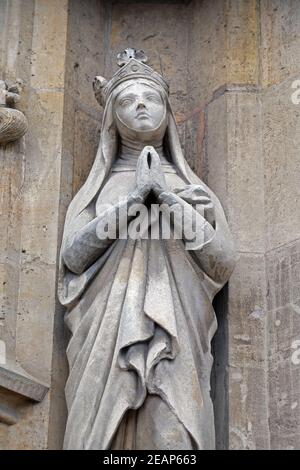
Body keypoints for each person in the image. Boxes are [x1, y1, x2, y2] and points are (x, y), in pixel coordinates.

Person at [58, 49, 237, 450]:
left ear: (166, 112)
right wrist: (135, 198)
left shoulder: (194, 191)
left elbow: (223, 263)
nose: (140, 105)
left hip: (177, 340)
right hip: (107, 338)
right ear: (112, 120)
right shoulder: (96, 190)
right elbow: (72, 257)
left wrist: (170, 200)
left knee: (172, 436)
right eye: (126, 100)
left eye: (150, 98)